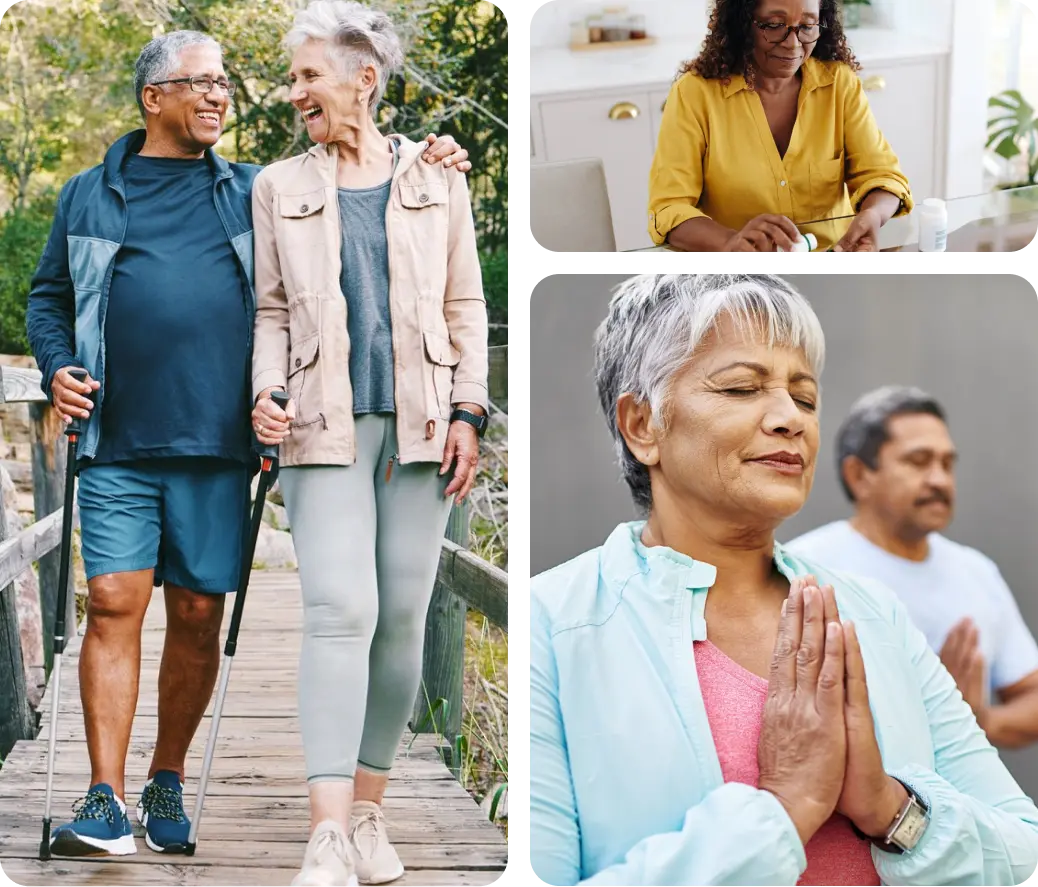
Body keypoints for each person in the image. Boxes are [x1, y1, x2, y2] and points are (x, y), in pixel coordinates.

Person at [25, 28, 470, 859]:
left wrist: (429, 155)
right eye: (200, 83)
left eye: (225, 82)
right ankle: (104, 800)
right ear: (153, 97)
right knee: (114, 603)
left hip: (219, 445)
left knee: (197, 615)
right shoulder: (87, 194)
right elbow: (47, 298)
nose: (221, 96)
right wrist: (56, 366)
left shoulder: (252, 191)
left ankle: (165, 777)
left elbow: (310, 269)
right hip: (116, 440)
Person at [529, 272, 1038, 887]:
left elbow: (1024, 851)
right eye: (742, 387)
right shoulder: (551, 625)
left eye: (805, 397)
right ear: (643, 425)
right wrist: (784, 810)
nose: (788, 418)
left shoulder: (873, 613)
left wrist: (890, 807)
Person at [248, 3, 488, 885]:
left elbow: (465, 306)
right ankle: (325, 831)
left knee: (400, 621)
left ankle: (372, 813)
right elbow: (272, 309)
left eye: (310, 75)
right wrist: (263, 392)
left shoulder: (438, 176)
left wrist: (472, 411)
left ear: (365, 79)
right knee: (338, 609)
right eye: (296, 77)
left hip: (424, 423)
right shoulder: (279, 184)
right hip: (321, 421)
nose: (296, 91)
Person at [786, 385, 1038, 749]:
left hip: (964, 803)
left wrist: (978, 721)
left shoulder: (976, 572)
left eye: (947, 464)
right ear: (858, 475)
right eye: (919, 461)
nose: (940, 479)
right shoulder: (807, 569)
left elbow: (1031, 695)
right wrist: (926, 713)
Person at [648, 0, 913, 253]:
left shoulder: (839, 84)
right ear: (741, 24)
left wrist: (873, 214)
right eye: (774, 25)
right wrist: (731, 243)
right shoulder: (696, 93)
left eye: (808, 26)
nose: (793, 43)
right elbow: (669, 208)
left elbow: (883, 175)